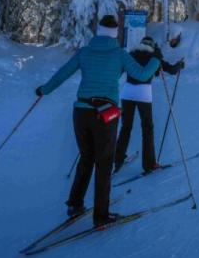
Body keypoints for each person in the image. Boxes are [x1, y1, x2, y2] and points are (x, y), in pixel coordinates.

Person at [36, 15, 161, 226]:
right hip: (105, 115)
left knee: (86, 158)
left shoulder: (85, 52)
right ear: (115, 33)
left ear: (98, 31)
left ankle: (75, 204)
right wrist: (156, 59)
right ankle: (101, 216)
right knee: (104, 164)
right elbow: (141, 75)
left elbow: (63, 73)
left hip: (81, 112)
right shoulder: (119, 55)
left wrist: (44, 90)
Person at [114, 37, 184, 174]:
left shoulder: (131, 55)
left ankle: (118, 158)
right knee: (147, 128)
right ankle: (149, 164)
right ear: (152, 46)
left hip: (127, 92)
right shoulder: (154, 57)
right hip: (143, 93)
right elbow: (172, 70)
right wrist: (180, 65)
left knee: (126, 126)